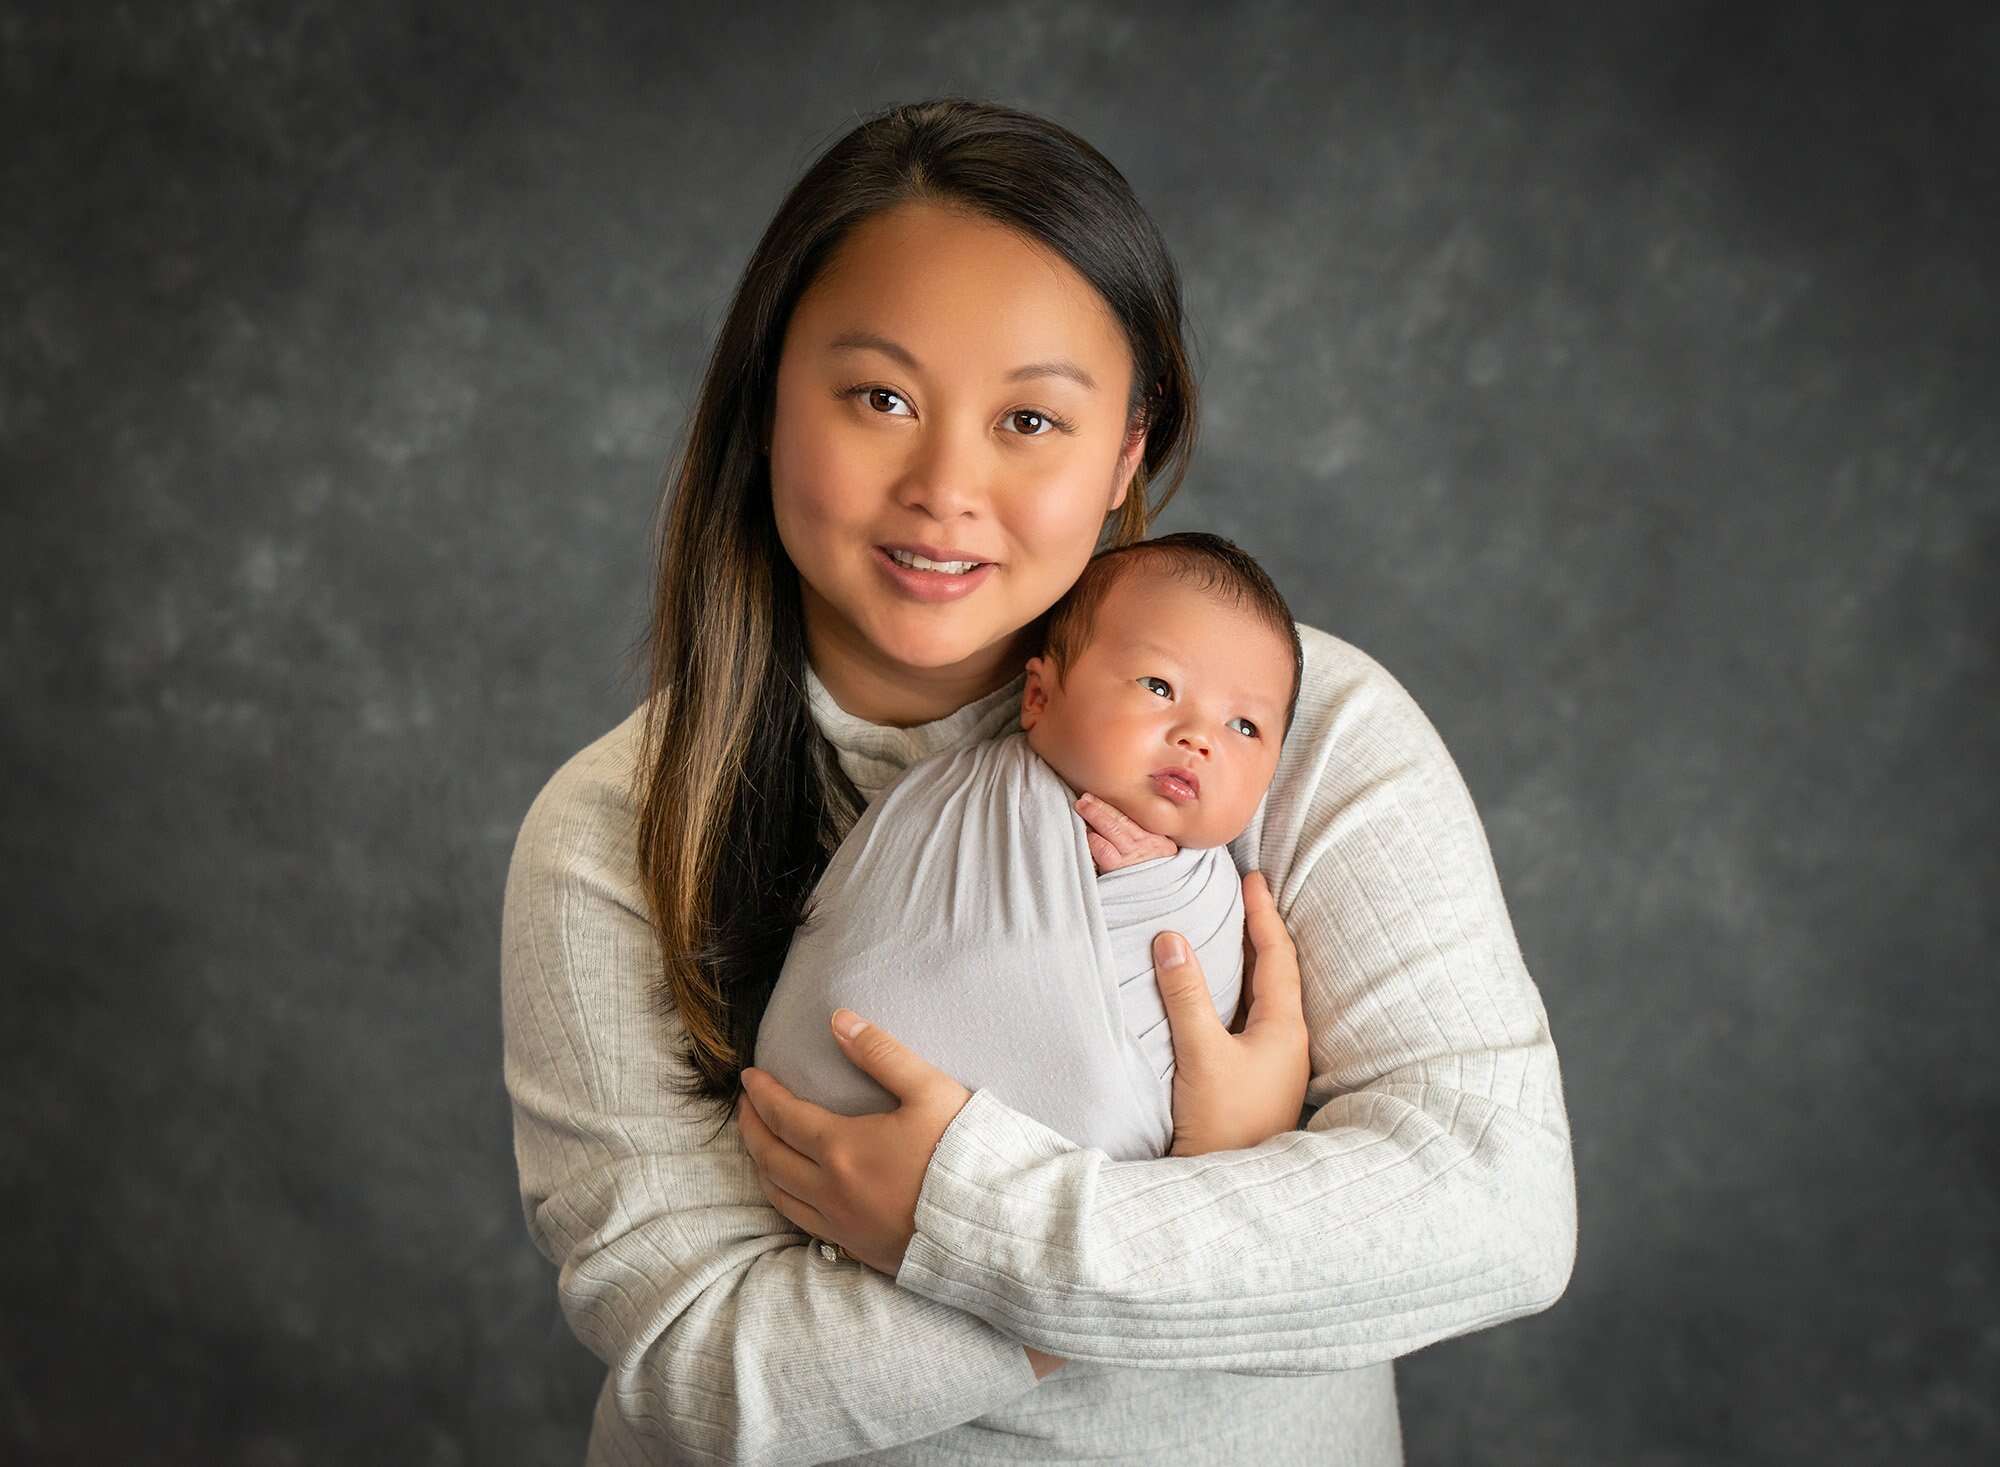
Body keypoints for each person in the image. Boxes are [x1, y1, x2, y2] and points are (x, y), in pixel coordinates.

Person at [500, 97, 1577, 1466]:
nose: (947, 487)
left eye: (1029, 418)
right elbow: (712, 1383)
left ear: (1128, 450)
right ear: (767, 399)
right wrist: (1193, 1199)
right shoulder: (616, 829)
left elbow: (1499, 1208)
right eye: (880, 397)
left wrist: (976, 1225)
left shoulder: (1292, 730)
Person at [754, 531, 1309, 1169]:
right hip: (838, 1091)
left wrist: (1155, 889)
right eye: (1159, 687)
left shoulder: (1208, 892)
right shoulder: (962, 795)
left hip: (1089, 1180)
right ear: (1039, 697)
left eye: (1244, 726)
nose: (1198, 738)